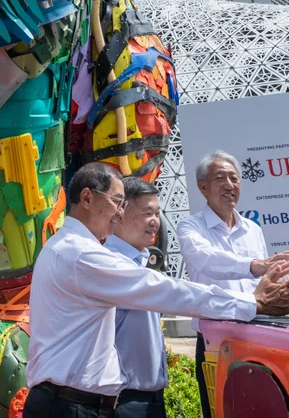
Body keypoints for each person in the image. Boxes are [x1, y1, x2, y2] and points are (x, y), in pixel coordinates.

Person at [24, 163, 289, 418]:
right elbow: (165, 290)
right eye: (117, 202)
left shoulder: (66, 248)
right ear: (87, 198)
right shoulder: (81, 255)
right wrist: (253, 303)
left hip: (71, 402)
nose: (119, 213)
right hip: (71, 406)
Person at [176, 150, 289, 418]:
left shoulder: (253, 229)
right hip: (214, 341)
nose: (229, 185)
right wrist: (253, 265)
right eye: (220, 178)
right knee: (220, 408)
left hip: (259, 336)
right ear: (203, 187)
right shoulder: (190, 227)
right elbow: (206, 260)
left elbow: (267, 278)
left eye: (234, 178)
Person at [106, 177, 169, 418]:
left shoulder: (141, 263)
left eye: (157, 213)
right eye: (147, 213)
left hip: (151, 396)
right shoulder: (110, 264)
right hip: (125, 399)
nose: (155, 222)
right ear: (120, 214)